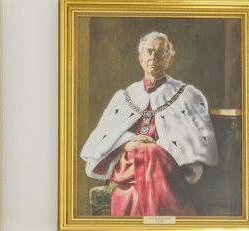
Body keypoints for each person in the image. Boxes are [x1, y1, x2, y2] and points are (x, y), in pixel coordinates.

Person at [80, 31, 218, 217]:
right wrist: (127, 143)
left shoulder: (187, 95)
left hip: (167, 166)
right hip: (128, 164)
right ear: (140, 58)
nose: (153, 57)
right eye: (149, 52)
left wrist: (157, 145)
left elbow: (195, 140)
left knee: (148, 153)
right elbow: (104, 137)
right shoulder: (125, 96)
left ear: (169, 60)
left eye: (160, 53)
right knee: (145, 152)